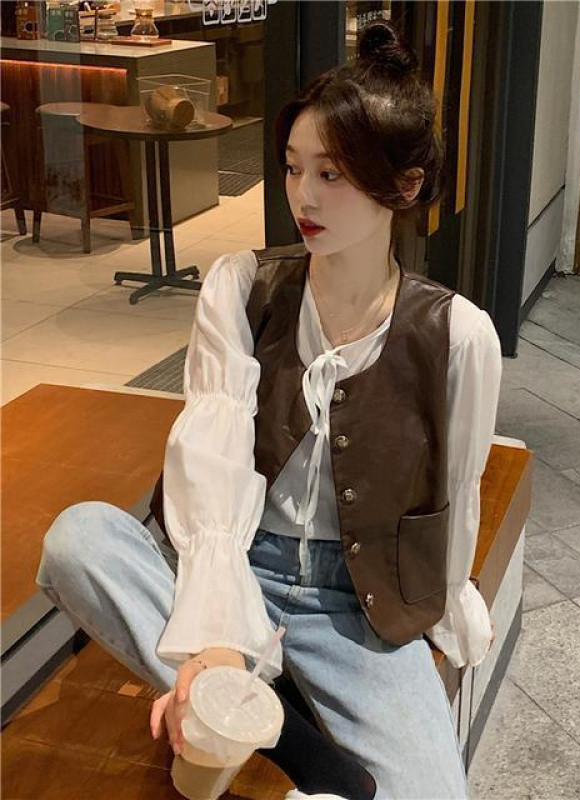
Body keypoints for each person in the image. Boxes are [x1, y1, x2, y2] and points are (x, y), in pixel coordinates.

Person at [35, 19, 502, 800]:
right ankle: (284, 733)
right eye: (292, 168)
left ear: (404, 185)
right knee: (79, 538)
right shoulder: (242, 285)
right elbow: (212, 459)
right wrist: (217, 637)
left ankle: (244, 707)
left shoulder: (457, 334)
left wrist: (445, 608)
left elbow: (455, 495)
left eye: (332, 174)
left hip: (356, 604)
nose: (303, 196)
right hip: (235, 565)